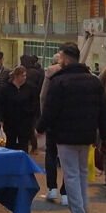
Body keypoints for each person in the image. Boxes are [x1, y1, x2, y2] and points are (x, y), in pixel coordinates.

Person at [36, 43, 106, 213]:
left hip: (65, 135)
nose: (58, 59)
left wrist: (40, 128)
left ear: (66, 58)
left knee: (71, 174)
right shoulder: (94, 81)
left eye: (60, 56)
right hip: (87, 135)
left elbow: (50, 110)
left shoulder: (59, 81)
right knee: (82, 172)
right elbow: (103, 111)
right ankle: (83, 208)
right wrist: (105, 136)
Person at [40, 53, 67, 204]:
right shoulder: (80, 72)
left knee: (51, 154)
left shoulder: (50, 72)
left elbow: (43, 97)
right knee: (68, 159)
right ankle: (65, 193)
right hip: (69, 122)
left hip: (52, 121)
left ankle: (52, 188)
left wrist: (44, 120)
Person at [0, 66, 38, 152]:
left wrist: (32, 117)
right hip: (10, 122)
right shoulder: (6, 88)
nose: (25, 78)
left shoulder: (30, 88)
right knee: (9, 144)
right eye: (23, 76)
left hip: (25, 122)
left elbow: (34, 104)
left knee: (24, 146)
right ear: (16, 76)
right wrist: (1, 119)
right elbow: (1, 104)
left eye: (25, 76)